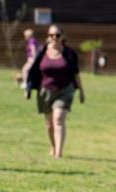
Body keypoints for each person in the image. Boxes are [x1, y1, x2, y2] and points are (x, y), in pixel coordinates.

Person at [25, 24, 85, 158]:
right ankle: (53, 146)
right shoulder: (42, 52)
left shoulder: (69, 54)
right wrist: (28, 89)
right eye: (51, 35)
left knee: (58, 119)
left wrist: (81, 91)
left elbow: (76, 74)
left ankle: (59, 153)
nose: (54, 38)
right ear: (48, 36)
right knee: (49, 124)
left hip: (65, 90)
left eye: (57, 35)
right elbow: (33, 71)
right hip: (45, 91)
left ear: (63, 36)